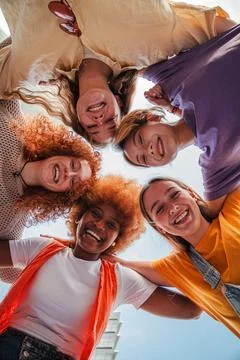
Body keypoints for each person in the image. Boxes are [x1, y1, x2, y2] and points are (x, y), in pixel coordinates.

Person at [0, 175, 201, 359]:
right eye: (95, 213)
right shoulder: (43, 247)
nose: (99, 225)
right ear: (79, 217)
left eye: (112, 225)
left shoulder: (121, 278)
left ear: (117, 240)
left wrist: (125, 263)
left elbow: (192, 309)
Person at [0, 1, 235, 145]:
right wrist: (179, 110)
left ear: (77, 116)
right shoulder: (153, 47)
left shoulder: (31, 70)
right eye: (111, 121)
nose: (99, 119)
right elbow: (225, 34)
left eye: (92, 127)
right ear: (119, 102)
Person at [114, 24, 240, 211]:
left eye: (141, 139)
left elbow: (119, 59)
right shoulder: (216, 164)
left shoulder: (171, 80)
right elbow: (210, 222)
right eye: (144, 159)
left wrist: (174, 107)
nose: (149, 150)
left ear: (150, 117)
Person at [105, 177, 240, 338]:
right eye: (160, 209)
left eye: (175, 195)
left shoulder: (235, 205)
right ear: (159, 228)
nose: (173, 208)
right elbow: (112, 262)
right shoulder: (176, 267)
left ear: (191, 194)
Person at [0, 97, 100, 283]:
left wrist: (68, 260)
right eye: (73, 164)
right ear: (62, 151)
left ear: (63, 195)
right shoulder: (11, 119)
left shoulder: (12, 223)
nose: (67, 173)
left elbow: (12, 273)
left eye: (73, 182)